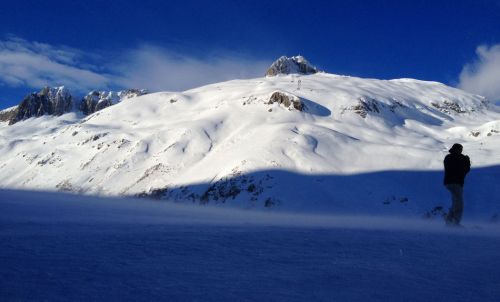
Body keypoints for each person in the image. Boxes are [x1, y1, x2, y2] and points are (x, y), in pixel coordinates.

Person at [443, 143, 470, 226]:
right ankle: (455, 223)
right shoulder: (455, 158)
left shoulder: (449, 157)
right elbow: (464, 170)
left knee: (455, 203)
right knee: (459, 204)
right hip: (455, 183)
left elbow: (464, 170)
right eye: (460, 149)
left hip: (451, 183)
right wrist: (466, 161)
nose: (461, 151)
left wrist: (465, 161)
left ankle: (449, 221)